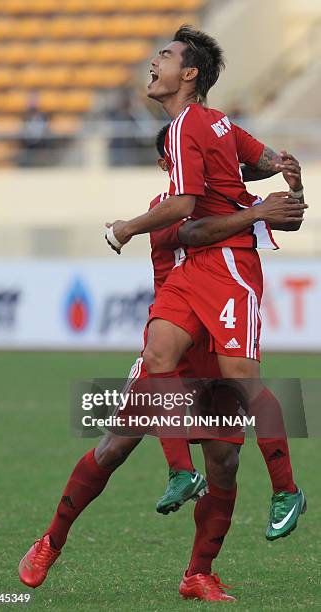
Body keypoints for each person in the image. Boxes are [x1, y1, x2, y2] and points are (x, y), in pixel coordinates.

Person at [19, 127, 306, 601]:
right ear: (168, 163)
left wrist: (292, 188)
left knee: (224, 462)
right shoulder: (168, 209)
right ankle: (50, 540)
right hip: (171, 350)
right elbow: (195, 231)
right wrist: (257, 210)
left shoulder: (228, 204)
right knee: (112, 449)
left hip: (216, 353)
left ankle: (198, 572)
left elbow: (287, 218)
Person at [105, 25, 307, 544]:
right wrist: (285, 170)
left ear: (188, 75)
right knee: (158, 353)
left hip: (231, 264)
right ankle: (179, 471)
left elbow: (181, 209)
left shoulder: (185, 127)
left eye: (165, 56)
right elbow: (264, 160)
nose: (154, 62)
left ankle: (286, 489)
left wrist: (127, 227)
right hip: (196, 266)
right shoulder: (216, 122)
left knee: (243, 384)